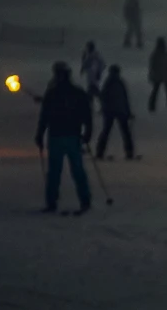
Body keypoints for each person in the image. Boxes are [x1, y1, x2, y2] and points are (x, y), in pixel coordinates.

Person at [35, 60, 93, 214]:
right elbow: (87, 114)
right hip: (72, 136)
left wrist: (40, 134)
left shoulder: (53, 93)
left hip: (57, 136)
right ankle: (84, 200)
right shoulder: (77, 92)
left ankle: (52, 202)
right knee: (77, 171)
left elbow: (44, 116)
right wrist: (87, 132)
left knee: (55, 172)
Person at [95, 64, 136, 159]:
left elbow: (103, 97)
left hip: (109, 111)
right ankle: (129, 152)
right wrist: (128, 112)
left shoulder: (108, 82)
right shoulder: (120, 82)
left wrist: (103, 108)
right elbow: (125, 99)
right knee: (125, 132)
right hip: (120, 111)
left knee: (106, 131)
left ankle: (100, 152)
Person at [147, 35, 167, 112]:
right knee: (166, 92)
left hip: (160, 76)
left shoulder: (156, 54)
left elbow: (152, 66)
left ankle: (153, 107)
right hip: (165, 76)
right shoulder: (165, 54)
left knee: (158, 92)